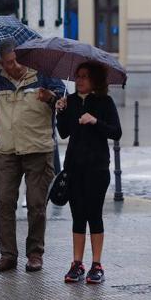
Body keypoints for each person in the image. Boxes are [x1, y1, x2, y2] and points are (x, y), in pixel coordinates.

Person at [0, 38, 65, 273]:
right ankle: (8, 255)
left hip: (38, 150)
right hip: (7, 151)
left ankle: (35, 254)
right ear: (2, 64)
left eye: (18, 60)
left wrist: (51, 98)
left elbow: (63, 102)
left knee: (36, 204)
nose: (16, 66)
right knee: (5, 203)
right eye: (10, 63)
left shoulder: (44, 74)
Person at [56, 62, 122, 284]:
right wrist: (60, 112)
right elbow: (64, 133)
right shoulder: (71, 101)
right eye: (78, 76)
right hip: (74, 168)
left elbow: (116, 131)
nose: (80, 80)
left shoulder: (104, 102)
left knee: (94, 215)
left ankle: (96, 264)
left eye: (85, 76)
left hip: (97, 168)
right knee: (77, 216)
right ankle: (76, 264)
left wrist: (95, 121)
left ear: (95, 80)